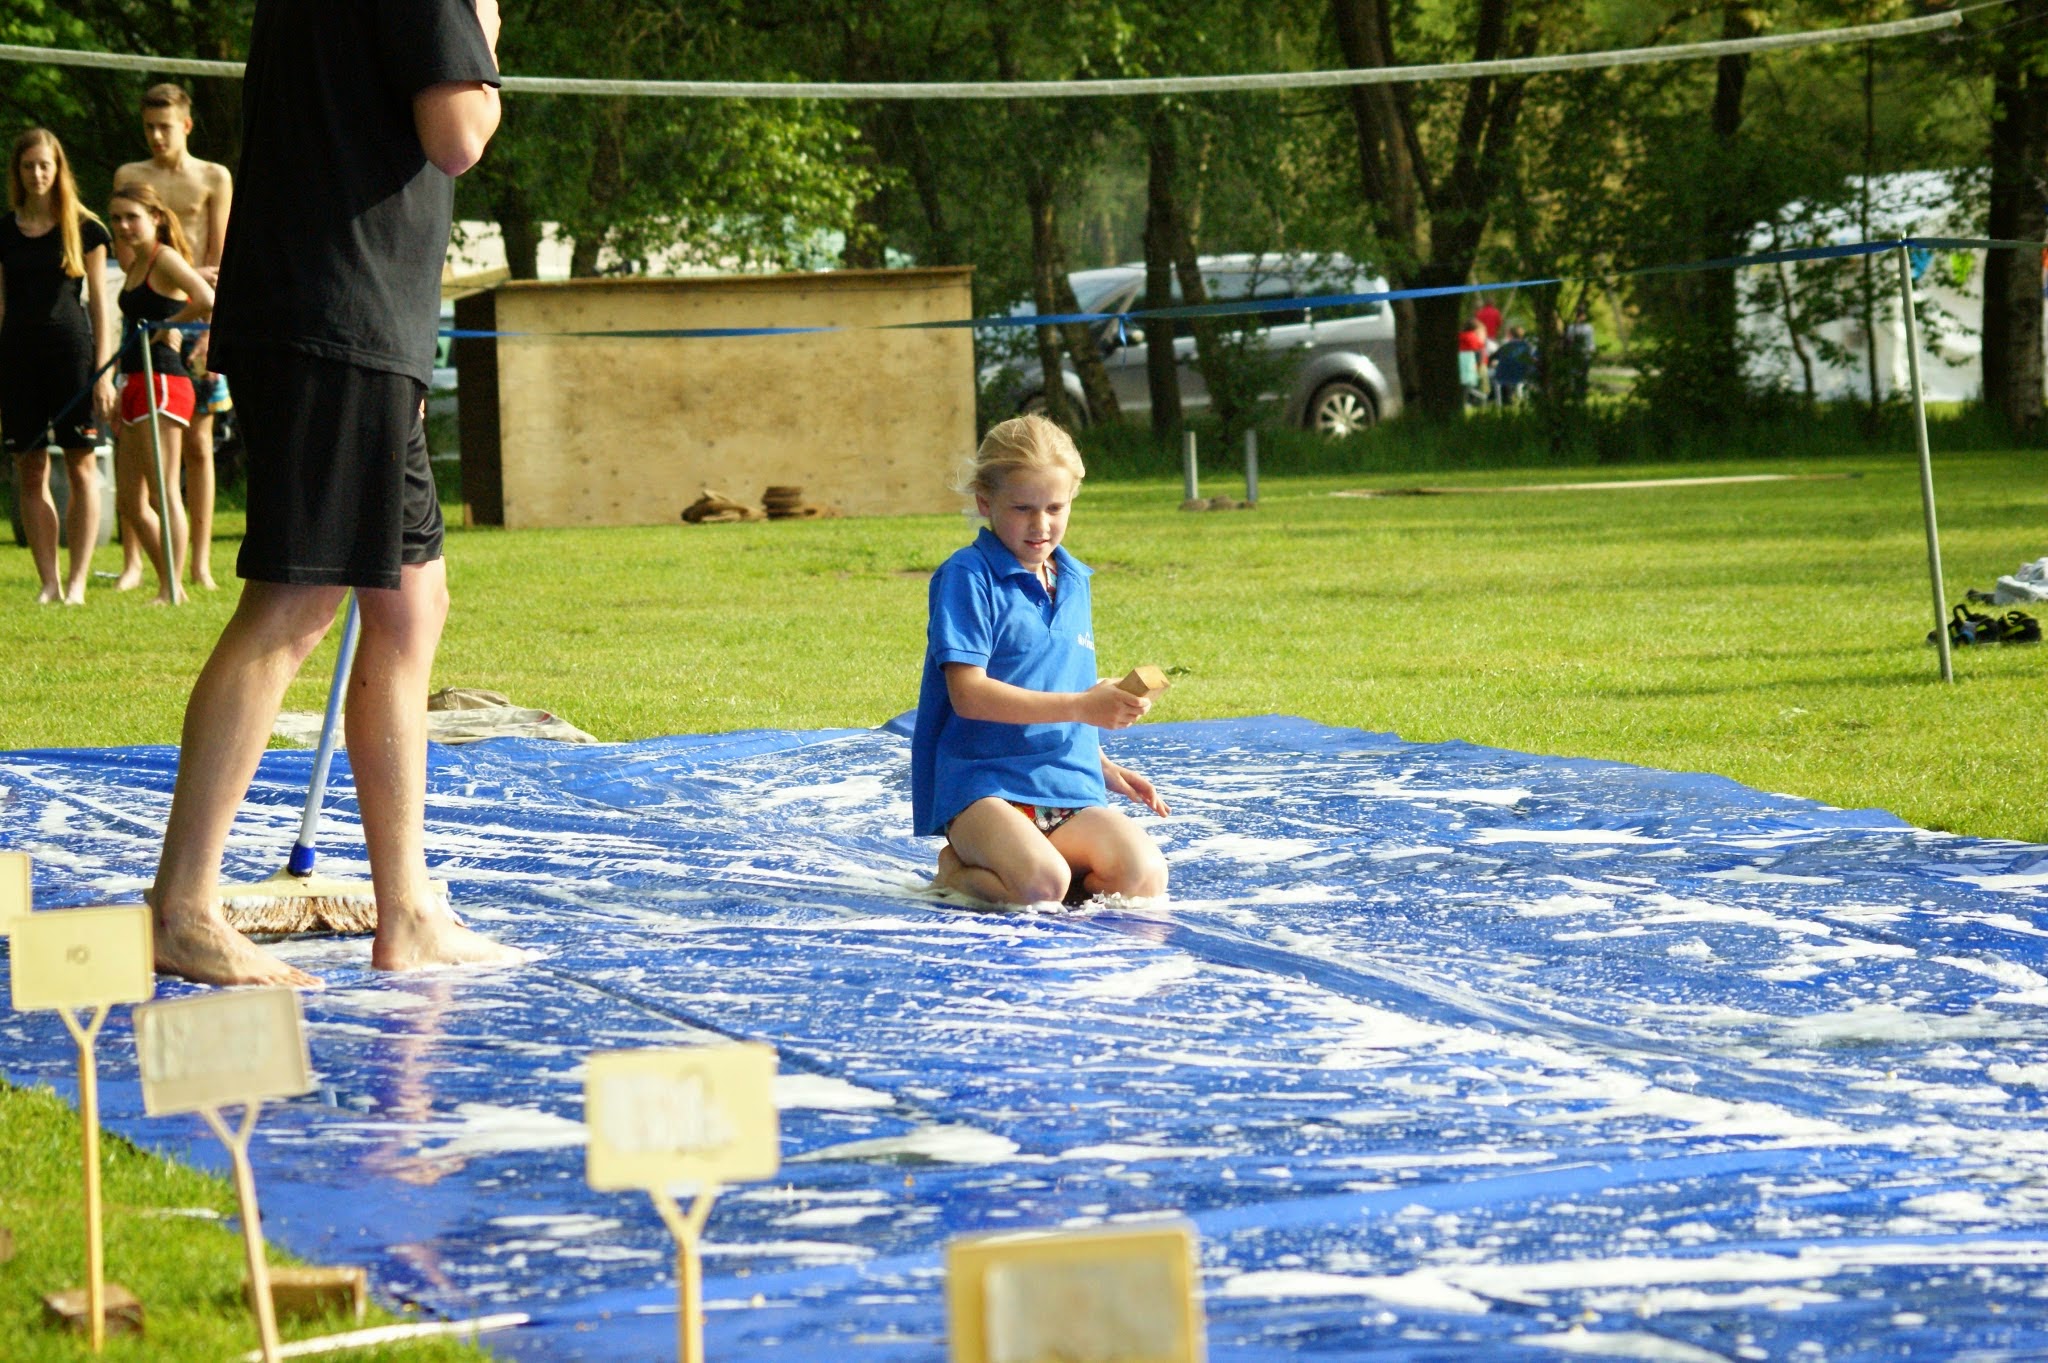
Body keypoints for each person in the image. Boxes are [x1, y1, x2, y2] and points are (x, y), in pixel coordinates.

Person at [149, 0, 518, 988]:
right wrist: (484, 28)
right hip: (339, 314)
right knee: (295, 603)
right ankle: (182, 907)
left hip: (345, 312)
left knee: (409, 604)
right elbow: (458, 134)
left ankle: (408, 912)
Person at [912, 414, 1171, 908]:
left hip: (1064, 781)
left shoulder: (1073, 580)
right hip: (982, 785)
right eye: (1023, 508)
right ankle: (957, 869)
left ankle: (1027, 867)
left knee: (1144, 876)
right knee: (1040, 887)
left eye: (1055, 507)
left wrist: (1099, 762)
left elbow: (1057, 681)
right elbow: (968, 695)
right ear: (985, 502)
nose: (1041, 524)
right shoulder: (968, 576)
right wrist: (1083, 706)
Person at [115, 83, 234, 591]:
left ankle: (199, 565)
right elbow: (128, 255)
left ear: (185, 125)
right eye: (149, 127)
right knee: (134, 447)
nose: (156, 136)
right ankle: (134, 563)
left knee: (199, 446)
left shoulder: (212, 176)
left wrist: (204, 332)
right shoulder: (131, 176)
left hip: (197, 316)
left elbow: (220, 254)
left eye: (165, 127)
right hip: (150, 309)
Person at [0, 128, 116, 604]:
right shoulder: (4, 231)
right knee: (29, 469)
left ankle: (77, 582)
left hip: (72, 356)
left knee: (81, 465)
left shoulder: (85, 228)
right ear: (18, 172)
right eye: (29, 166)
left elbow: (100, 306)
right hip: (17, 360)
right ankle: (48, 581)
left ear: (59, 168)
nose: (37, 174)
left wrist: (103, 373)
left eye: (45, 165)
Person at [109, 182, 212, 606]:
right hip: (134, 381)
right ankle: (170, 581)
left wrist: (173, 325)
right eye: (116, 218)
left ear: (154, 217)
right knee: (130, 501)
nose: (123, 226)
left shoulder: (163, 257)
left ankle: (172, 588)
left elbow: (206, 298)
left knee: (164, 491)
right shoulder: (135, 262)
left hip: (164, 381)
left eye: (132, 217)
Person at [1491, 325, 1535, 405]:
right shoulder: (1528, 347)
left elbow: (1492, 358)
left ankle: (1499, 403)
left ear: (1510, 335)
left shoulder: (1505, 347)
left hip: (1502, 376)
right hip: (1522, 375)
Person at [1457, 316, 1489, 402]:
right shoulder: (1472, 338)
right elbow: (1479, 353)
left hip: (1461, 369)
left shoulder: (1459, 336)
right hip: (1471, 368)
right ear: (1476, 330)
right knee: (1483, 372)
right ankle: (1483, 397)